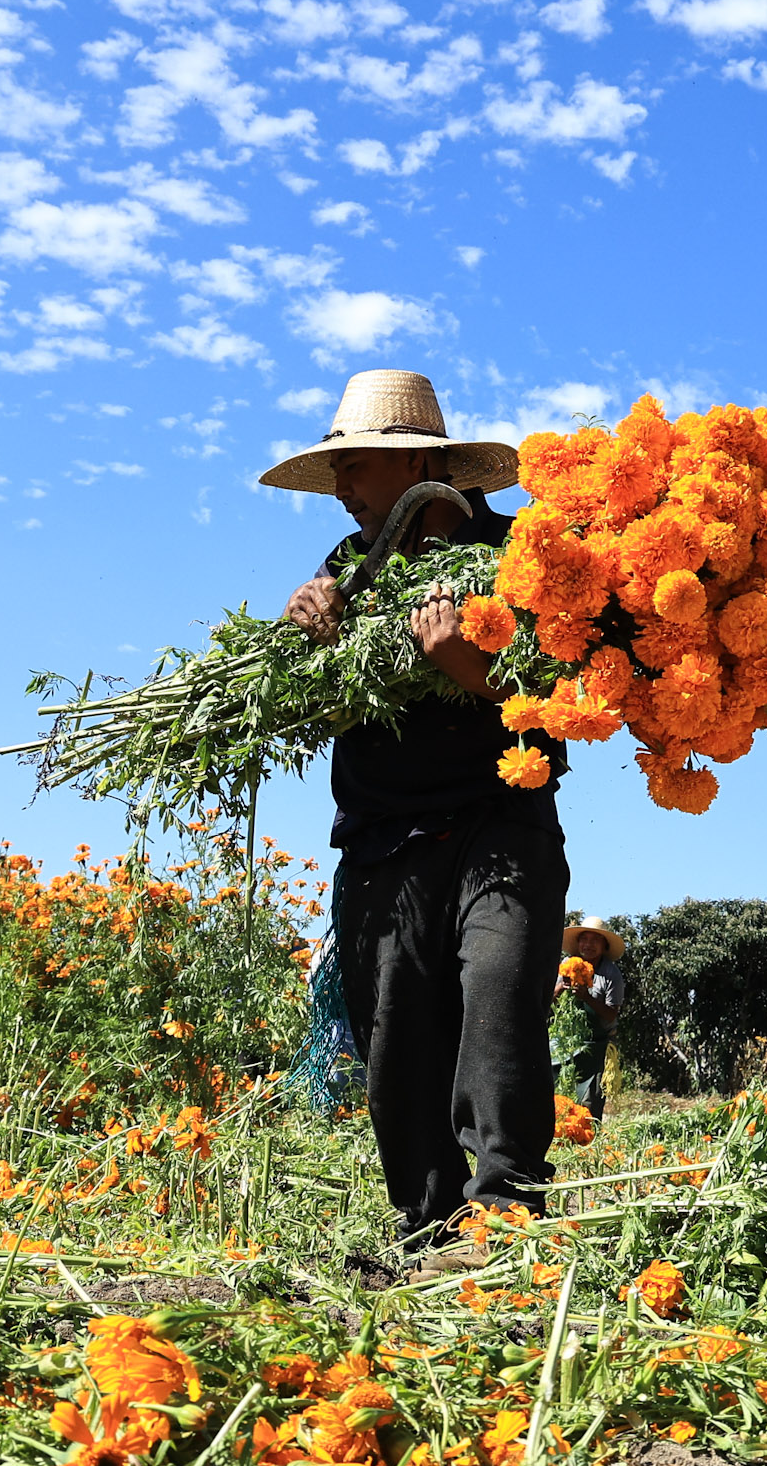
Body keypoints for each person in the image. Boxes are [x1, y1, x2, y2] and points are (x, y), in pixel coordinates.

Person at [266, 369, 569, 1250]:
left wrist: (463, 667)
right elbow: (309, 702)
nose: (345, 491)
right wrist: (303, 631)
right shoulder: (346, 571)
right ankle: (427, 1228)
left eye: (354, 469)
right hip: (383, 839)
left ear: (418, 466)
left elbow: (560, 701)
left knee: (500, 998)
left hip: (500, 825)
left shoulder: (522, 559)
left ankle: (504, 1223)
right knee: (395, 1034)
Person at [554, 918, 626, 1118]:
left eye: (595, 940)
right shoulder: (568, 964)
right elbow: (547, 1002)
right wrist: (560, 988)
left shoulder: (611, 974)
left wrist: (587, 997)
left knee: (589, 1101)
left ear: (604, 946)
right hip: (567, 1042)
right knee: (559, 1094)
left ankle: (588, 1140)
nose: (588, 945)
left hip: (598, 1044)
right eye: (584, 939)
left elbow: (612, 1013)